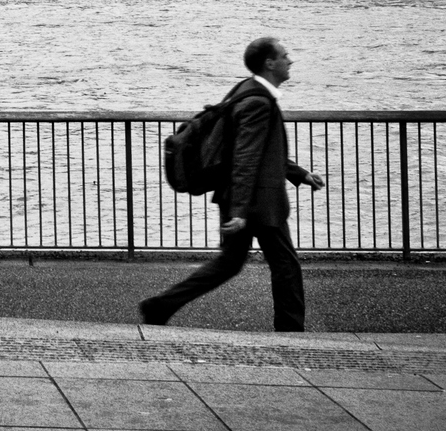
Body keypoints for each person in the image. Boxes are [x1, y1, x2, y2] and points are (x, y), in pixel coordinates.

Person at [139, 37, 325, 332]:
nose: (290, 61)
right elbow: (245, 158)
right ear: (270, 63)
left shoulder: (246, 90)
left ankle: (161, 305)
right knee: (285, 265)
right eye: (285, 56)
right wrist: (240, 211)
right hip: (258, 203)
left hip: (241, 197)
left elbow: (259, 151)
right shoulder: (258, 102)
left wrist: (299, 173)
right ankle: (291, 331)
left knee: (229, 263)